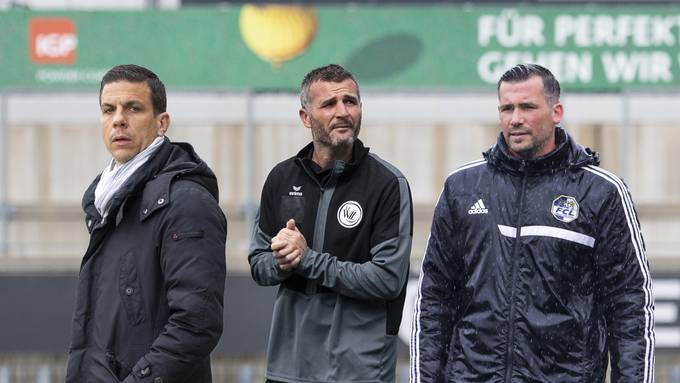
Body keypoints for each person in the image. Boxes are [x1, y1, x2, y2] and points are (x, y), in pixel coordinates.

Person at [410, 64, 655, 382]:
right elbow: (434, 298)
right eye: (507, 108)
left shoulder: (601, 193)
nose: (515, 119)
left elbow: (630, 306)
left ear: (556, 112)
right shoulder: (463, 188)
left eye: (527, 107)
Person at [249, 64, 413, 383]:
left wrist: (307, 259)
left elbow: (387, 279)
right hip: (289, 366)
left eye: (350, 102)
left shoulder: (388, 183)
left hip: (361, 370)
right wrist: (283, 261)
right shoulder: (281, 178)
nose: (342, 112)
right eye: (329, 104)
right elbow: (258, 264)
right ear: (305, 117)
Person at [65, 64, 227, 382]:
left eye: (133, 108)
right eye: (108, 110)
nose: (118, 120)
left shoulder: (186, 202)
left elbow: (196, 324)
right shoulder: (108, 203)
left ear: (161, 122)